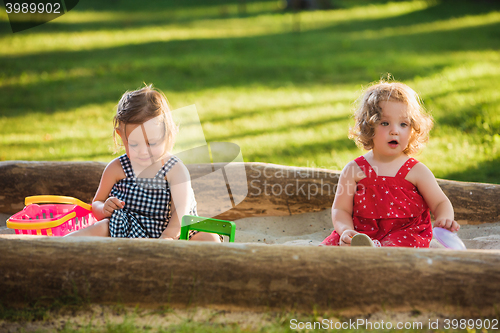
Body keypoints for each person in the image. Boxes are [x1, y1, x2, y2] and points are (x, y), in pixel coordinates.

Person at [67, 85, 220, 242]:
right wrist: (104, 208)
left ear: (167, 134)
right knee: (102, 226)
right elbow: (97, 203)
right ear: (121, 136)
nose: (142, 151)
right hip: (129, 232)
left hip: (175, 233)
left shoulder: (174, 169)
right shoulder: (116, 169)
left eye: (151, 143)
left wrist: (167, 237)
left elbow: (181, 212)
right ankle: (55, 245)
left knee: (209, 238)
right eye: (133, 144)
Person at [322, 80, 459, 247]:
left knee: (395, 246)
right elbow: (341, 210)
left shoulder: (416, 171)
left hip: (405, 233)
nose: (395, 130)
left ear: (413, 129)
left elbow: (440, 202)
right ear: (368, 126)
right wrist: (346, 230)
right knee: (330, 248)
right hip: (362, 233)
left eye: (403, 124)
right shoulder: (354, 170)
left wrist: (445, 218)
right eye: (385, 123)